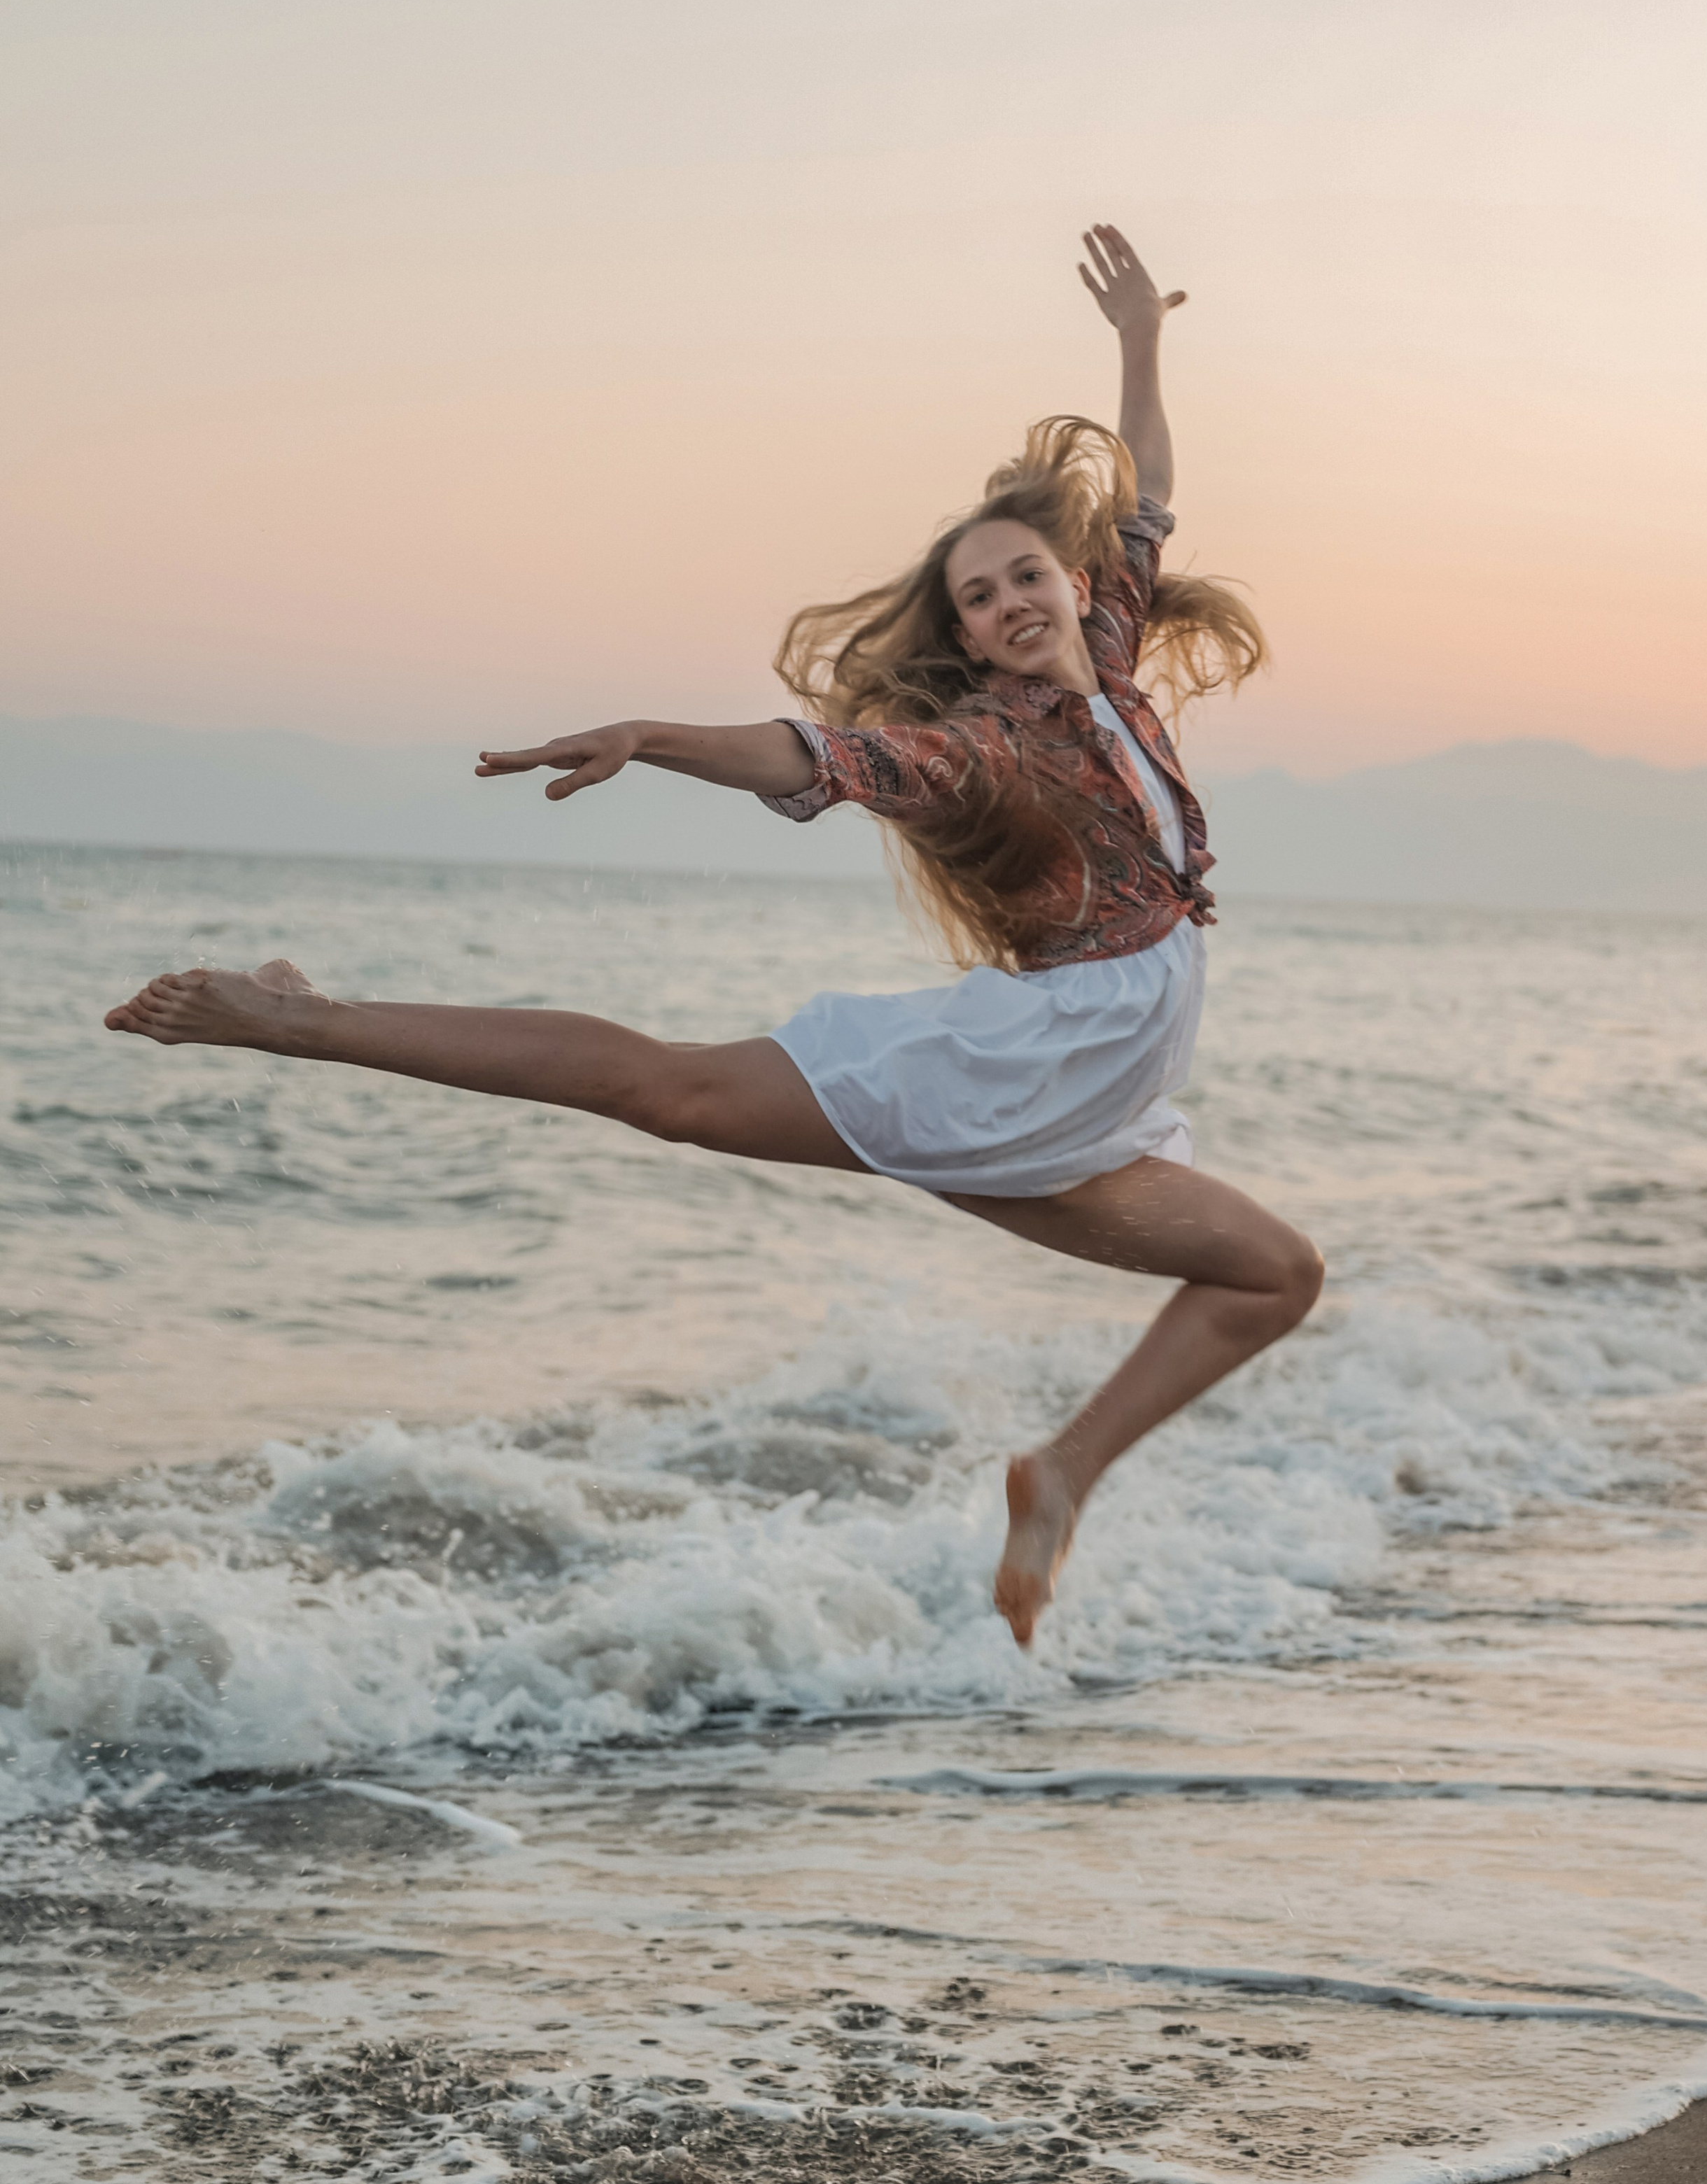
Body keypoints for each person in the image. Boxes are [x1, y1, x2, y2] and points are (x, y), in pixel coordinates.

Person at [105, 225, 1323, 1647]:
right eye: (976, 599)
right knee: (667, 1089)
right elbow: (813, 752)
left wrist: (1136, 340)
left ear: (1064, 581)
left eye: (1018, 578)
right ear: (971, 640)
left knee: (1273, 1274)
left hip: (1106, 1080)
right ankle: (297, 1020)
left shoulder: (1112, 638)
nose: (1003, 604)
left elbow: (1150, 480)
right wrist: (651, 736)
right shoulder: (974, 749)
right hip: (1038, 1066)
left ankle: (1058, 1476)